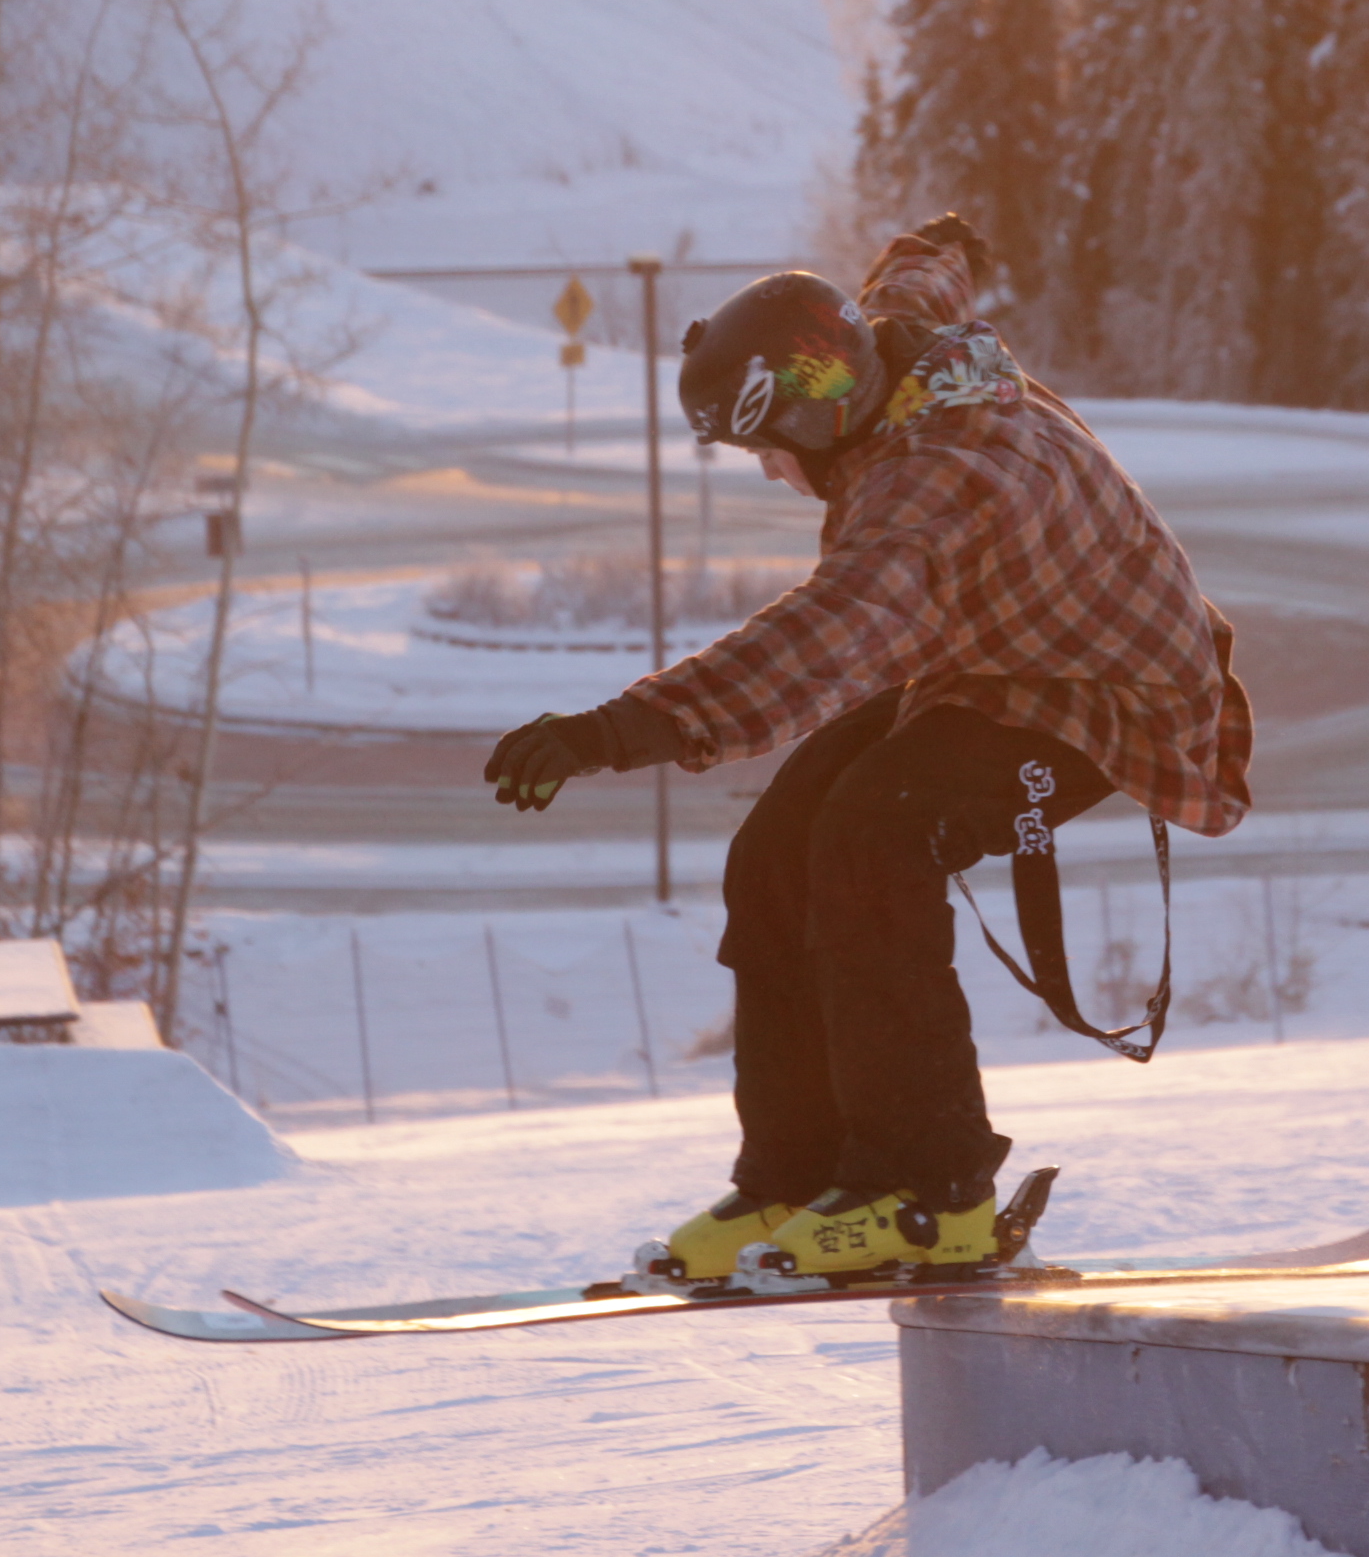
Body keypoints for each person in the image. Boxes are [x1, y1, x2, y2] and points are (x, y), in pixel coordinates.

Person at [481, 213, 1251, 1280]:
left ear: (816, 414)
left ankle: (932, 1195)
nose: (768, 473)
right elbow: (917, 282)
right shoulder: (888, 353)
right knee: (775, 850)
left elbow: (818, 643)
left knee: (871, 836)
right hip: (994, 657)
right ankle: (794, 1179)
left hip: (1110, 691)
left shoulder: (927, 488)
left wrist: (616, 730)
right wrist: (945, 238)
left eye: (768, 450)